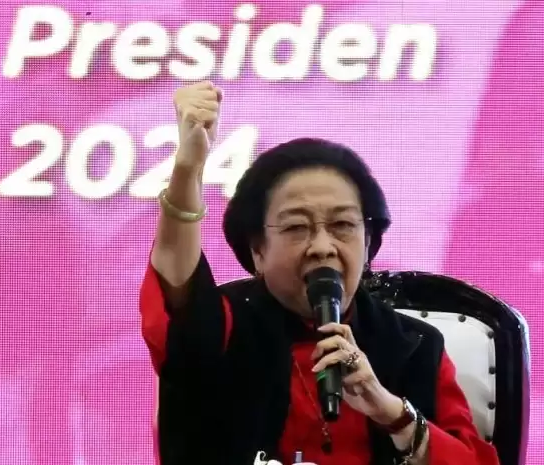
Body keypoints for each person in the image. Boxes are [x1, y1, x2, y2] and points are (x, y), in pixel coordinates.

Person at [139, 81, 499, 465]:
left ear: (368, 242)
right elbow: (177, 277)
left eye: (343, 225)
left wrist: (391, 412)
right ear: (257, 250)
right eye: (297, 227)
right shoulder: (223, 327)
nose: (323, 247)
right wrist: (188, 170)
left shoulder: (414, 345)